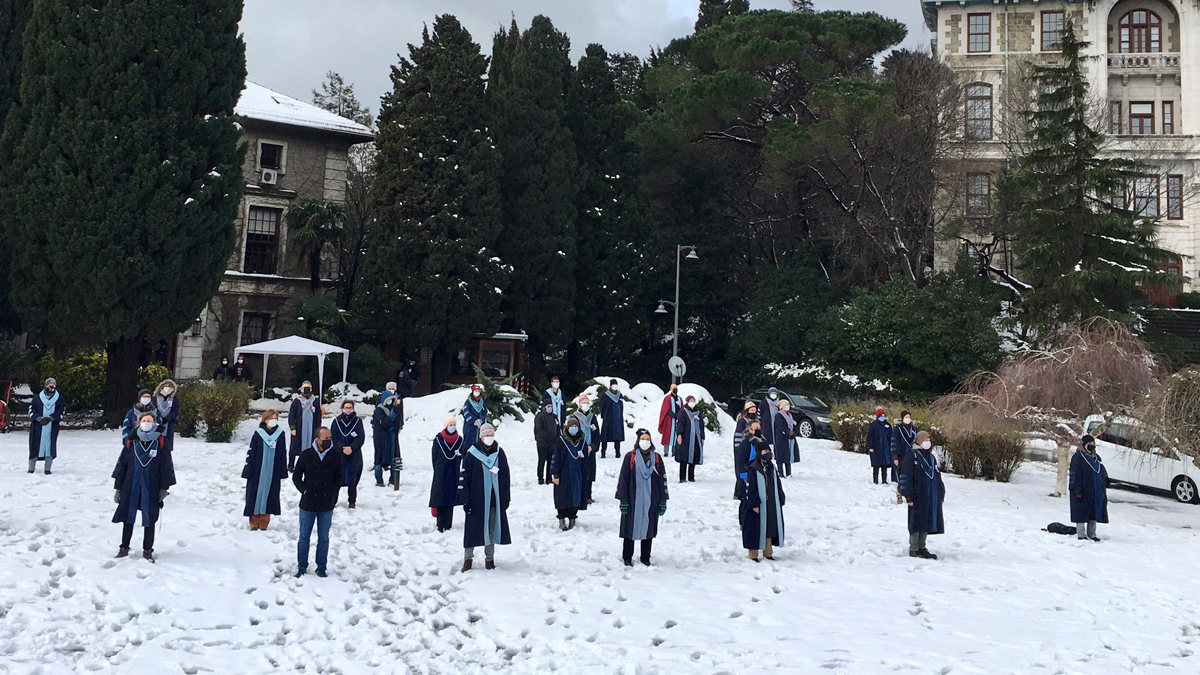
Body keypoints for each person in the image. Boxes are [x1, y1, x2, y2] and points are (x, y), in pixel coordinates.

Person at [112, 412, 174, 562]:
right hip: (130, 484)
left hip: (151, 486)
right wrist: (118, 487)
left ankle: (147, 550)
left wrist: (164, 487)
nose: (146, 423)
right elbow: (122, 464)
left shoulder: (161, 441)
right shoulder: (131, 441)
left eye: (150, 421)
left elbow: (166, 465)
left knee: (149, 518)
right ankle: (124, 547)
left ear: (154, 424)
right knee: (128, 517)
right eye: (144, 420)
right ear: (139, 423)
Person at [458, 423, 511, 571]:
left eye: (491, 435)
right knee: (472, 530)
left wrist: (506, 497)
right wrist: (465, 499)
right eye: (486, 435)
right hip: (476, 501)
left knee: (491, 529)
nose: (489, 438)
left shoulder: (499, 453)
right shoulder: (471, 454)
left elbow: (505, 477)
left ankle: (489, 558)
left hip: (494, 500)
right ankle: (468, 559)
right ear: (481, 437)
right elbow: (464, 478)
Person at [292, 427, 345, 577]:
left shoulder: (335, 456)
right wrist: (304, 490)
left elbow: (339, 477)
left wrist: (333, 493)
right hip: (308, 503)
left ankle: (321, 566)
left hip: (326, 503)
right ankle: (302, 566)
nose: (329, 441)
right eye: (326, 439)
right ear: (317, 440)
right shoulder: (306, 455)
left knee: (324, 537)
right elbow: (296, 476)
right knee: (304, 537)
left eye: (330, 438)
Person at [616, 429, 668, 567]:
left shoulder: (656, 458)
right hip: (633, 499)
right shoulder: (630, 457)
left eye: (647, 439)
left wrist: (663, 500)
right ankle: (627, 557)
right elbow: (623, 479)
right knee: (629, 528)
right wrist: (623, 499)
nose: (645, 441)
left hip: (651, 500)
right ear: (638, 441)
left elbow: (663, 479)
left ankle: (646, 557)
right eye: (643, 439)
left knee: (648, 529)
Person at [898, 431, 945, 560]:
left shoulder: (931, 457)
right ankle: (913, 548)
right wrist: (908, 496)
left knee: (926, 521)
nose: (927, 442)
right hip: (917, 495)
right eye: (925, 439)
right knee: (916, 521)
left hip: (930, 495)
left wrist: (940, 493)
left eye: (929, 439)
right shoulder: (911, 456)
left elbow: (937, 476)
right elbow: (905, 477)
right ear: (919, 441)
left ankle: (922, 547)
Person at [243, 410, 288, 530]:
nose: (273, 421)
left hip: (272, 472)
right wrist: (248, 470)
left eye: (275, 418)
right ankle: (254, 520)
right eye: (271, 418)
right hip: (257, 471)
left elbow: (282, 453)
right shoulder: (258, 434)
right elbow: (251, 452)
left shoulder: (280, 434)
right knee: (254, 495)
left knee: (270, 496)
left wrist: (282, 471)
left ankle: (264, 519)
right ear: (265, 420)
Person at [741, 441, 785, 562]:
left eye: (769, 451)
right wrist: (754, 503)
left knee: (769, 527)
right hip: (758, 505)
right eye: (765, 451)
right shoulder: (753, 468)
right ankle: (753, 554)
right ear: (760, 453)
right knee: (755, 529)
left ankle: (768, 552)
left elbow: (777, 484)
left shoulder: (771, 467)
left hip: (770, 504)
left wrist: (780, 497)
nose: (768, 453)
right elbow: (751, 487)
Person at [551, 416, 590, 531]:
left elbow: (586, 460)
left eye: (575, 426)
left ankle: (572, 518)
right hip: (564, 474)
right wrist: (556, 475)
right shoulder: (561, 442)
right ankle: (562, 519)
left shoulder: (582, 442)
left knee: (576, 497)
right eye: (571, 426)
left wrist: (586, 474)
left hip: (577, 475)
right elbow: (556, 459)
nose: (574, 428)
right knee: (562, 497)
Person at [1070, 434, 1108, 542]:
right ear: (1084, 445)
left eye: (1093, 444)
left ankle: (1092, 534)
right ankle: (1081, 534)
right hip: (1082, 490)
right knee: (1081, 512)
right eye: (1089, 444)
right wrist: (1076, 490)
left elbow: (1101, 474)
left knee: (1093, 512)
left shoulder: (1097, 459)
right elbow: (1074, 474)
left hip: (1095, 490)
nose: (1092, 446)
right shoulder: (1078, 457)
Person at [430, 416, 464, 533]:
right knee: (440, 497)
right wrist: (438, 468)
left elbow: (462, 456)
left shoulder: (459, 440)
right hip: (441, 472)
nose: (452, 427)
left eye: (454, 424)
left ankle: (448, 523)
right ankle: (440, 524)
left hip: (453, 472)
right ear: (446, 426)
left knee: (451, 497)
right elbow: (434, 456)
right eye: (450, 425)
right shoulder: (439, 439)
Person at [332, 401, 365, 509]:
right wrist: (342, 447)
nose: (348, 410)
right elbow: (333, 438)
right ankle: (333, 500)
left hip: (353, 453)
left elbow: (361, 438)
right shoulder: (336, 421)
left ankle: (352, 501)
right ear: (342, 409)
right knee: (337, 477)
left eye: (350, 408)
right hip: (339, 453)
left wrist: (352, 447)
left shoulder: (357, 421)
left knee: (352, 477)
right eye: (346, 408)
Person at [28, 378, 64, 475]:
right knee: (35, 446)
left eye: (53, 384)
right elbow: (32, 409)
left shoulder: (59, 398)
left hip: (52, 427)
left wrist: (51, 418)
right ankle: (31, 467)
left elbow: (61, 411)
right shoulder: (37, 398)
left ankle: (47, 468)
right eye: (49, 384)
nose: (51, 386)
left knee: (49, 447)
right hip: (38, 427)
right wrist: (39, 419)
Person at [288, 381, 323, 473]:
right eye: (305, 388)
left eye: (308, 388)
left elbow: (318, 416)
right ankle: (291, 465)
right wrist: (293, 428)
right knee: (295, 446)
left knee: (312, 446)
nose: (306, 390)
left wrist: (318, 430)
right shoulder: (297, 401)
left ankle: (310, 463)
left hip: (311, 428)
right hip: (299, 428)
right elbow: (291, 415)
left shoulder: (315, 401)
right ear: (301, 389)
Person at [371, 388, 403, 487]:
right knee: (379, 457)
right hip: (380, 436)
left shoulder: (394, 409)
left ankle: (393, 479)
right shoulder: (379, 410)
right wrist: (392, 416)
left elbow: (397, 422)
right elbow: (384, 422)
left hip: (392, 436)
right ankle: (379, 480)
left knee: (394, 455)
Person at [572, 396, 600, 504]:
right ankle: (580, 495)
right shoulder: (574, 417)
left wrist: (593, 446)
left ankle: (588, 495)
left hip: (590, 450)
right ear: (579, 405)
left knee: (589, 473)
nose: (586, 405)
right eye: (584, 403)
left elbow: (597, 434)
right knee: (580, 473)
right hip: (579, 450)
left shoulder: (592, 418)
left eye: (587, 403)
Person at [673, 395, 705, 483]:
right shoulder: (683, 412)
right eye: (690, 401)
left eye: (693, 401)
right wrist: (679, 434)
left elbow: (701, 425)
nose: (692, 402)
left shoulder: (698, 413)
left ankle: (691, 476)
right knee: (684, 457)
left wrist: (702, 437)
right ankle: (682, 477)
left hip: (695, 438)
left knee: (694, 457)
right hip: (685, 438)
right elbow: (679, 424)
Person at [732, 401, 759, 497]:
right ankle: (739, 492)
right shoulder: (742, 421)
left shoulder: (757, 420)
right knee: (742, 470)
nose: (753, 411)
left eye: (754, 409)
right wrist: (738, 448)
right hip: (743, 447)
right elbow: (738, 435)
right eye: (751, 410)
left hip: (753, 447)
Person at [597, 379, 626, 458]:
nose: (615, 386)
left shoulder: (619, 395)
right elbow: (601, 406)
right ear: (610, 386)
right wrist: (603, 415)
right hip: (608, 418)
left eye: (616, 384)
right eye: (613, 385)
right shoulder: (606, 395)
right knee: (605, 436)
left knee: (617, 436)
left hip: (617, 418)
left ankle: (617, 452)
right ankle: (603, 452)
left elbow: (621, 406)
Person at [533, 401, 559, 485]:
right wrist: (548, 437)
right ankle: (540, 478)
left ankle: (549, 477)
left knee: (551, 461)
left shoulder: (554, 416)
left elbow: (558, 428)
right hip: (542, 443)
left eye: (551, 406)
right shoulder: (539, 416)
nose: (550, 407)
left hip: (552, 443)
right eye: (548, 406)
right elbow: (539, 429)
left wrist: (556, 438)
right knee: (542, 461)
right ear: (544, 407)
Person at [773, 398, 799, 478]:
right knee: (781, 455)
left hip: (790, 438)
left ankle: (788, 472)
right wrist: (787, 432)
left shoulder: (789, 415)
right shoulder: (779, 415)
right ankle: (780, 472)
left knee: (789, 455)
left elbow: (793, 424)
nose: (788, 406)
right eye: (786, 405)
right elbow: (780, 426)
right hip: (781, 438)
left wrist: (794, 431)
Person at [154, 379, 181, 454]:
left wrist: (168, 418)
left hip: (168, 424)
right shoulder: (155, 398)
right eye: (166, 386)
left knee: (166, 443)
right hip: (156, 423)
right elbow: (152, 409)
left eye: (170, 387)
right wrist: (158, 418)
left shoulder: (174, 399)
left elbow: (176, 410)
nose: (167, 388)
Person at [891, 411, 917, 490]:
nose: (908, 419)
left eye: (909, 417)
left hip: (911, 455)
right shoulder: (897, 429)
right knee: (900, 474)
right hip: (901, 454)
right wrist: (895, 456)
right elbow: (894, 442)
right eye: (906, 417)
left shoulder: (914, 429)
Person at [866, 408, 893, 484]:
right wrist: (870, 446)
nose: (883, 417)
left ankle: (884, 480)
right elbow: (870, 436)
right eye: (881, 416)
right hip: (876, 448)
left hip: (885, 448)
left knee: (884, 465)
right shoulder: (873, 425)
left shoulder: (888, 425)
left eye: (884, 415)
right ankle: (875, 480)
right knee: (876, 464)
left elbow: (891, 436)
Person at [461, 384, 489, 450]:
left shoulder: (482, 402)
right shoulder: (468, 402)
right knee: (468, 443)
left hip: (479, 426)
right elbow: (466, 412)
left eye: (478, 391)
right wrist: (474, 420)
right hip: (470, 427)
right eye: (476, 391)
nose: (477, 392)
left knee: (479, 443)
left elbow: (485, 412)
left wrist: (481, 420)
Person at [657, 384, 682, 449]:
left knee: (676, 435)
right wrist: (674, 415)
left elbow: (682, 408)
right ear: (671, 389)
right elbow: (666, 409)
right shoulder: (667, 398)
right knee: (667, 435)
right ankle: (666, 451)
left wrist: (679, 416)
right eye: (673, 388)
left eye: (676, 388)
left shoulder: (679, 399)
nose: (675, 389)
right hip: (669, 420)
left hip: (677, 420)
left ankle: (674, 451)